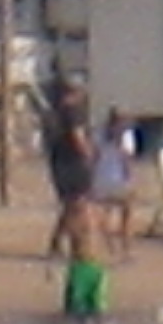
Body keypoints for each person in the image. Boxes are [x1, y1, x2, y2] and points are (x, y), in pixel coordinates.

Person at [44, 109, 96, 258]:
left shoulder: (53, 115)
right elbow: (78, 138)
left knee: (71, 206)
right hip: (73, 165)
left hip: (60, 164)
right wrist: (90, 155)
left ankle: (57, 242)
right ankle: (77, 246)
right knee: (78, 206)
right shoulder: (73, 114)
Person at [60, 195, 109, 324]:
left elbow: (106, 235)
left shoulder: (98, 215)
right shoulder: (69, 217)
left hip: (96, 266)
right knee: (77, 308)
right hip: (79, 266)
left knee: (99, 306)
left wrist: (114, 252)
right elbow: (57, 239)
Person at [89, 112, 137, 257]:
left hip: (101, 179)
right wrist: (131, 180)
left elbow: (94, 158)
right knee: (127, 214)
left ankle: (111, 247)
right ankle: (126, 248)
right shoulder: (126, 138)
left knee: (105, 214)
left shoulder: (98, 135)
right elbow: (127, 162)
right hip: (118, 180)